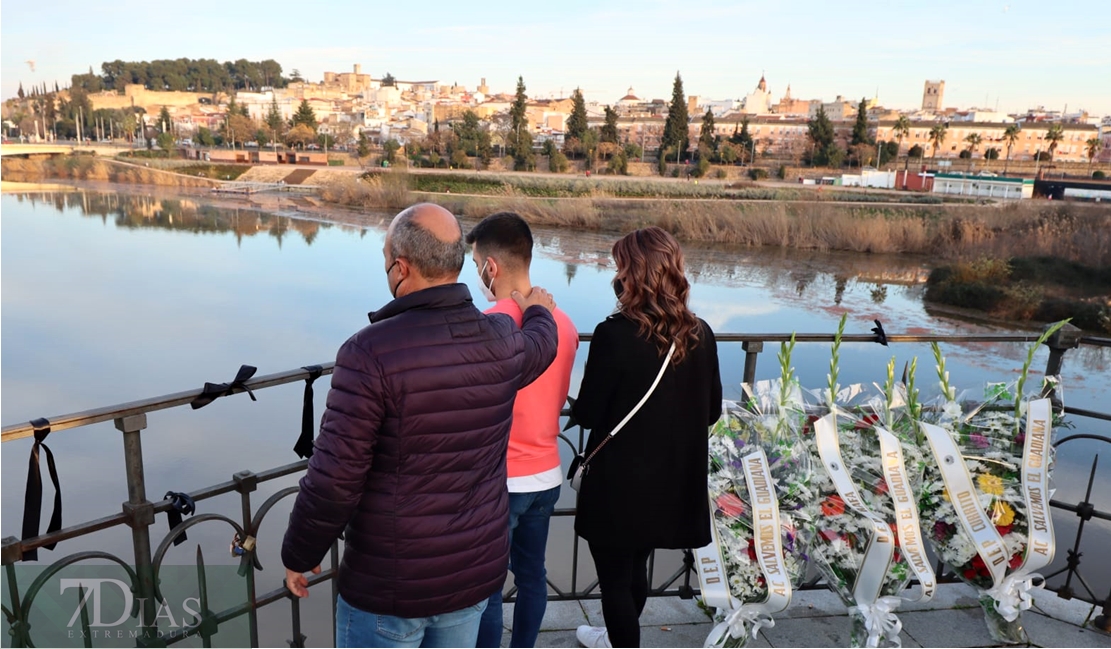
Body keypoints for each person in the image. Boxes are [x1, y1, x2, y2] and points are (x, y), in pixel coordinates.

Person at [281, 203, 561, 648]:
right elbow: (542, 345)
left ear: (401, 268)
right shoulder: (503, 339)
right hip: (469, 574)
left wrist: (299, 553)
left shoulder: (367, 354)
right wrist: (538, 309)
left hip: (390, 584)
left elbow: (335, 478)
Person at [571, 227, 722, 648]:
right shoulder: (701, 333)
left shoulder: (614, 334)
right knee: (636, 569)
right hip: (673, 482)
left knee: (615, 580)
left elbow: (588, 413)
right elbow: (712, 411)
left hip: (620, 483)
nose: (615, 273)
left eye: (619, 265)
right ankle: (614, 637)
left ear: (633, 274)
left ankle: (619, 641)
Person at [467, 213, 579, 648]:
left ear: (489, 267)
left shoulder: (485, 325)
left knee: (488, 586)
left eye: (474, 263)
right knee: (533, 576)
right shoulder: (563, 324)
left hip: (499, 480)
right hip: (547, 472)